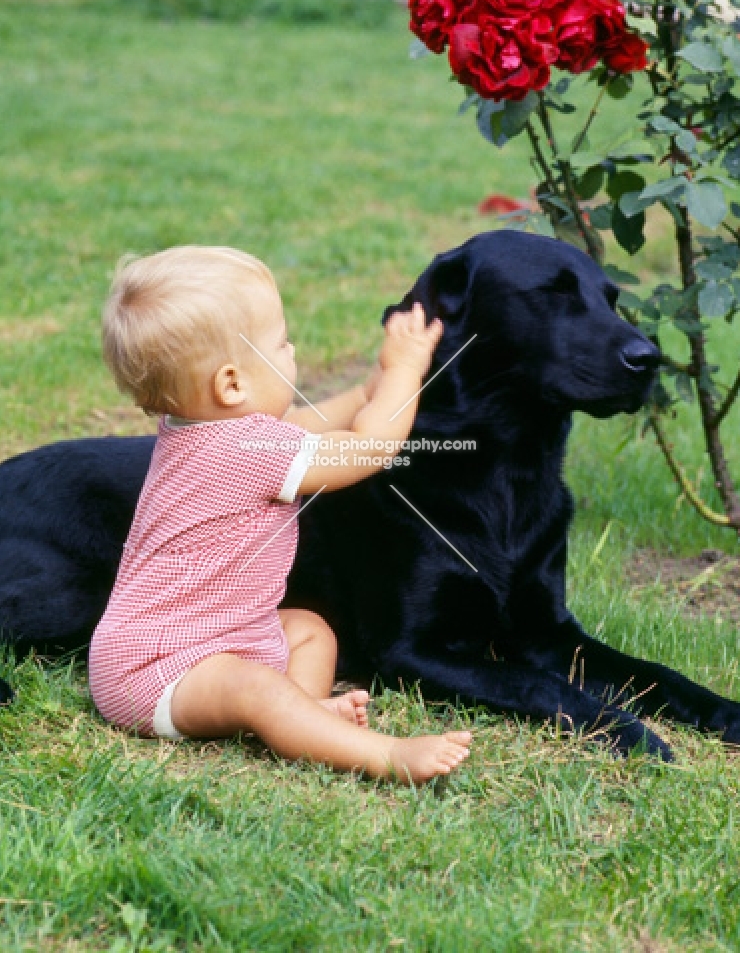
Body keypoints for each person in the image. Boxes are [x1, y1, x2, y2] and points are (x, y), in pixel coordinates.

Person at [90, 245, 471, 783]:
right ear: (232, 384)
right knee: (255, 688)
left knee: (310, 631)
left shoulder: (201, 431)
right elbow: (370, 448)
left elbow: (302, 423)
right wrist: (409, 368)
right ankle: (382, 754)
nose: (292, 350)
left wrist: (375, 386)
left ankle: (305, 718)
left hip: (216, 637)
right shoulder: (243, 453)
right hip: (153, 671)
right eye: (280, 343)